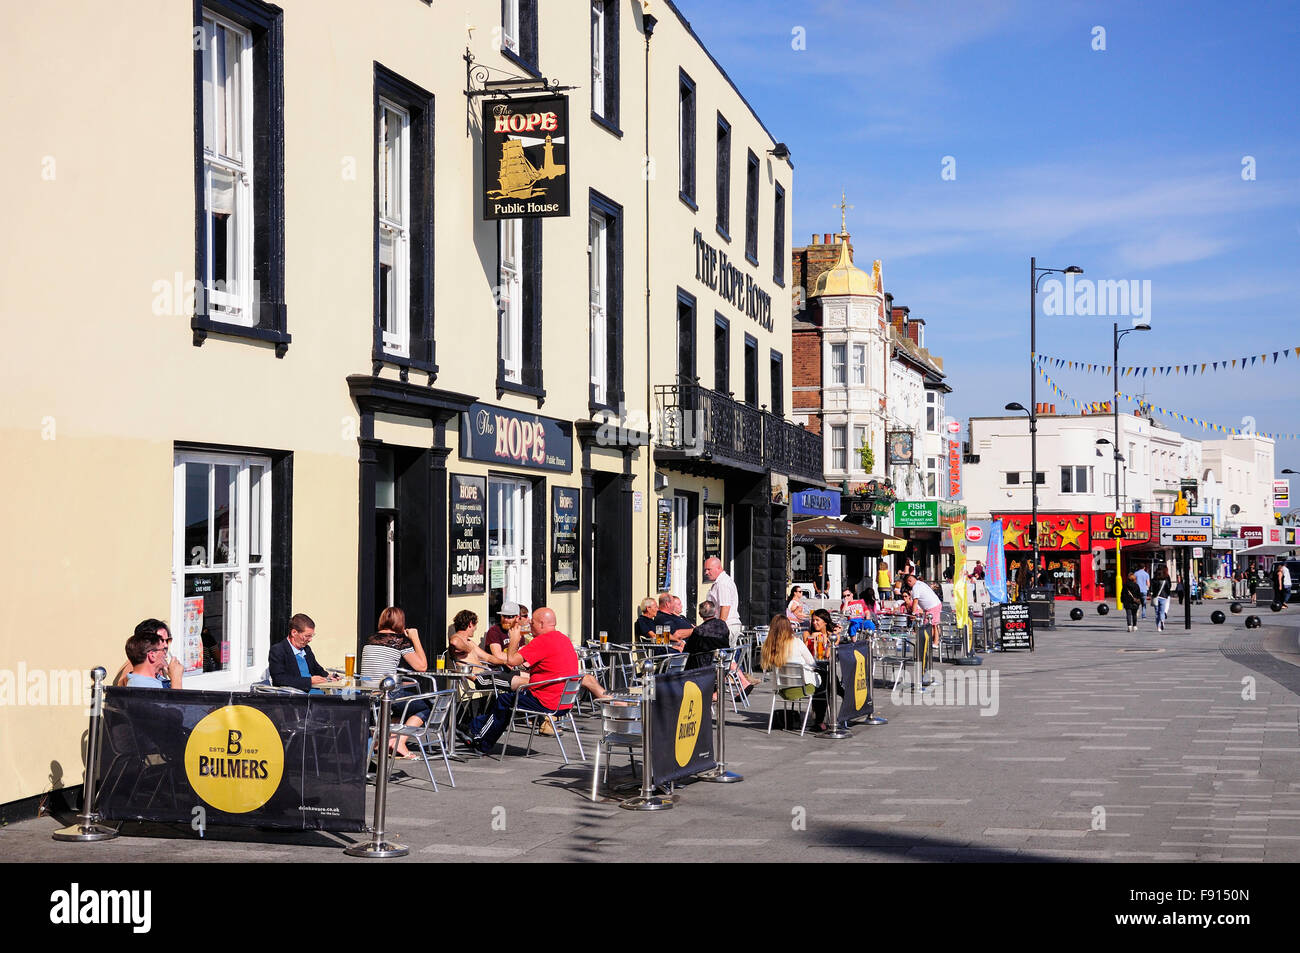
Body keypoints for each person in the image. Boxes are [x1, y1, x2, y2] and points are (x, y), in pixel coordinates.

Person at [465, 607, 597, 754]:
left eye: (532, 622)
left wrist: (514, 640)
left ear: (541, 624)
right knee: (507, 700)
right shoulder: (563, 639)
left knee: (503, 700)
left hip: (545, 700)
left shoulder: (541, 641)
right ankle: (476, 729)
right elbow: (538, 664)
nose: (529, 624)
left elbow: (512, 660)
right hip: (564, 703)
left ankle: (480, 740)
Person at [360, 606, 430, 759]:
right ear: (400, 622)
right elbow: (422, 666)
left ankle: (384, 741)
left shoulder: (370, 639)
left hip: (368, 695)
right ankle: (399, 742)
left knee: (400, 707)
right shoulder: (399, 642)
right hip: (385, 695)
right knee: (424, 707)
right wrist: (415, 637)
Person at [760, 615, 818, 730]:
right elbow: (812, 663)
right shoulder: (797, 642)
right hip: (803, 689)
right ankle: (819, 720)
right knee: (823, 685)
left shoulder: (768, 645)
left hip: (782, 690)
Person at [268, 613, 330, 693]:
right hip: (298, 697)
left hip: (315, 693)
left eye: (312, 636)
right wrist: (309, 681)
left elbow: (317, 669)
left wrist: (328, 676)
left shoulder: (306, 649)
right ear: (294, 633)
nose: (310, 639)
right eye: (307, 636)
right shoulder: (278, 650)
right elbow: (279, 679)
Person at [114, 619, 183, 688]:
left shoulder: (162, 666)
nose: (165, 645)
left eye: (167, 640)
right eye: (160, 640)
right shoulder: (135, 669)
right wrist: (176, 679)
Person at [684, 600, 732, 670]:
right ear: (715, 612)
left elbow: (689, 650)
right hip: (724, 663)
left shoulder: (699, 631)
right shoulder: (723, 624)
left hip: (704, 668)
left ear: (700, 614)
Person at [704, 557, 742, 643]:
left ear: (719, 568)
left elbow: (725, 607)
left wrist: (719, 629)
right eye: (705, 570)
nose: (706, 572)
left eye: (709, 569)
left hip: (727, 626)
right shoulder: (721, 582)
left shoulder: (722, 583)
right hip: (726, 626)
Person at [1150, 565, 1172, 632]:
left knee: (1157, 613)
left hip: (1156, 597)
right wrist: (1167, 594)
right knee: (1162, 612)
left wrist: (1152, 593)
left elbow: (1151, 588)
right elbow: (1169, 587)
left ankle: (1158, 627)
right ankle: (1162, 620)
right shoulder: (1166, 578)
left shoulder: (1154, 579)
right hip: (1163, 597)